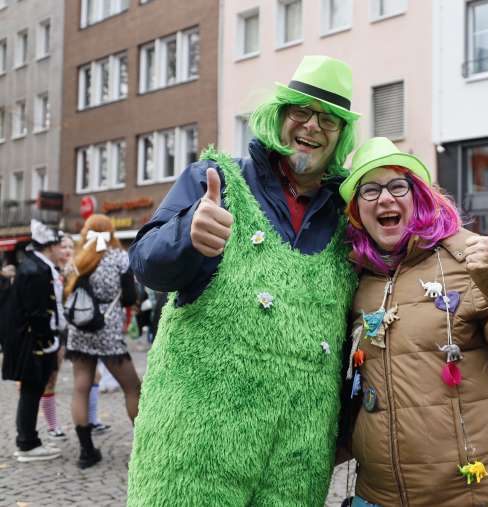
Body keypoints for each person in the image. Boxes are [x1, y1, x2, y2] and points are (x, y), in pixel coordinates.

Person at [127, 55, 360, 506]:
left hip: (295, 461)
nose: (312, 126)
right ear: (280, 115)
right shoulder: (217, 181)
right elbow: (146, 263)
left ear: (340, 135)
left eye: (328, 119)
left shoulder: (347, 214)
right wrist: (187, 233)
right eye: (302, 111)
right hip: (194, 451)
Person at [340, 137, 488, 506]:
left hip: (476, 491)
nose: (385, 198)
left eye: (397, 186)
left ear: (418, 196)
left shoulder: (465, 257)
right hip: (383, 494)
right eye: (370, 190)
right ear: (358, 210)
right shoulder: (355, 277)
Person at [65, 214, 140, 468]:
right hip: (107, 332)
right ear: (111, 233)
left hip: (80, 331)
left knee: (80, 387)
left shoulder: (77, 259)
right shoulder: (120, 259)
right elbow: (130, 297)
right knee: (132, 388)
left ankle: (86, 452)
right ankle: (144, 447)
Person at [1, 220, 64, 462]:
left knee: (33, 390)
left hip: (36, 340)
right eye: (60, 244)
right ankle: (26, 443)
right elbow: (36, 312)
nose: (63, 249)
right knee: (31, 390)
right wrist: (46, 339)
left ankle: (29, 440)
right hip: (34, 342)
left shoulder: (38, 266)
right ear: (50, 246)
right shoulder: (36, 269)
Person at [38, 234, 75, 440]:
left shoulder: (74, 271)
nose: (67, 250)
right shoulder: (50, 271)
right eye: (63, 246)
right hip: (54, 330)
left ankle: (90, 419)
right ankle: (52, 425)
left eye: (71, 246)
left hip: (71, 328)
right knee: (50, 378)